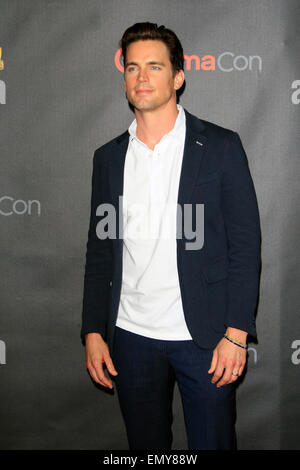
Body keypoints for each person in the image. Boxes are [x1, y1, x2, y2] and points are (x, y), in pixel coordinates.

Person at [81, 22, 261, 450]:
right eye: (132, 67)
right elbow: (100, 252)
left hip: (206, 337)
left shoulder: (220, 146)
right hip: (130, 337)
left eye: (155, 67)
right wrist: (93, 330)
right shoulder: (108, 158)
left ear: (178, 76)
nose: (142, 77)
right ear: (123, 76)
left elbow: (245, 245)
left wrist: (236, 333)